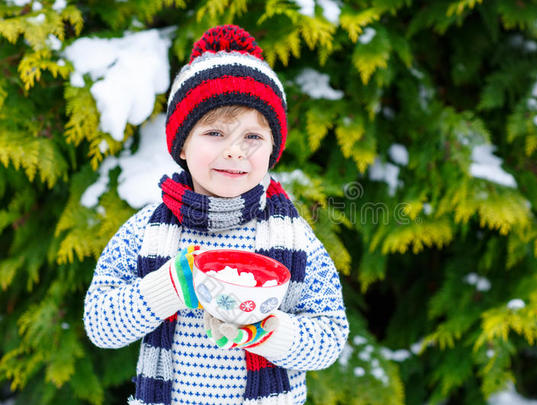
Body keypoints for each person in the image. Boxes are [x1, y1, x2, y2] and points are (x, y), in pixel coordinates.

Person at [83, 24, 349, 405]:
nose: (236, 151)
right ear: (183, 145)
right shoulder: (145, 231)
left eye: (253, 137)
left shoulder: (296, 239)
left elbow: (330, 337)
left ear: (273, 149)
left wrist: (271, 333)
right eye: (215, 133)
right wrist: (168, 288)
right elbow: (100, 324)